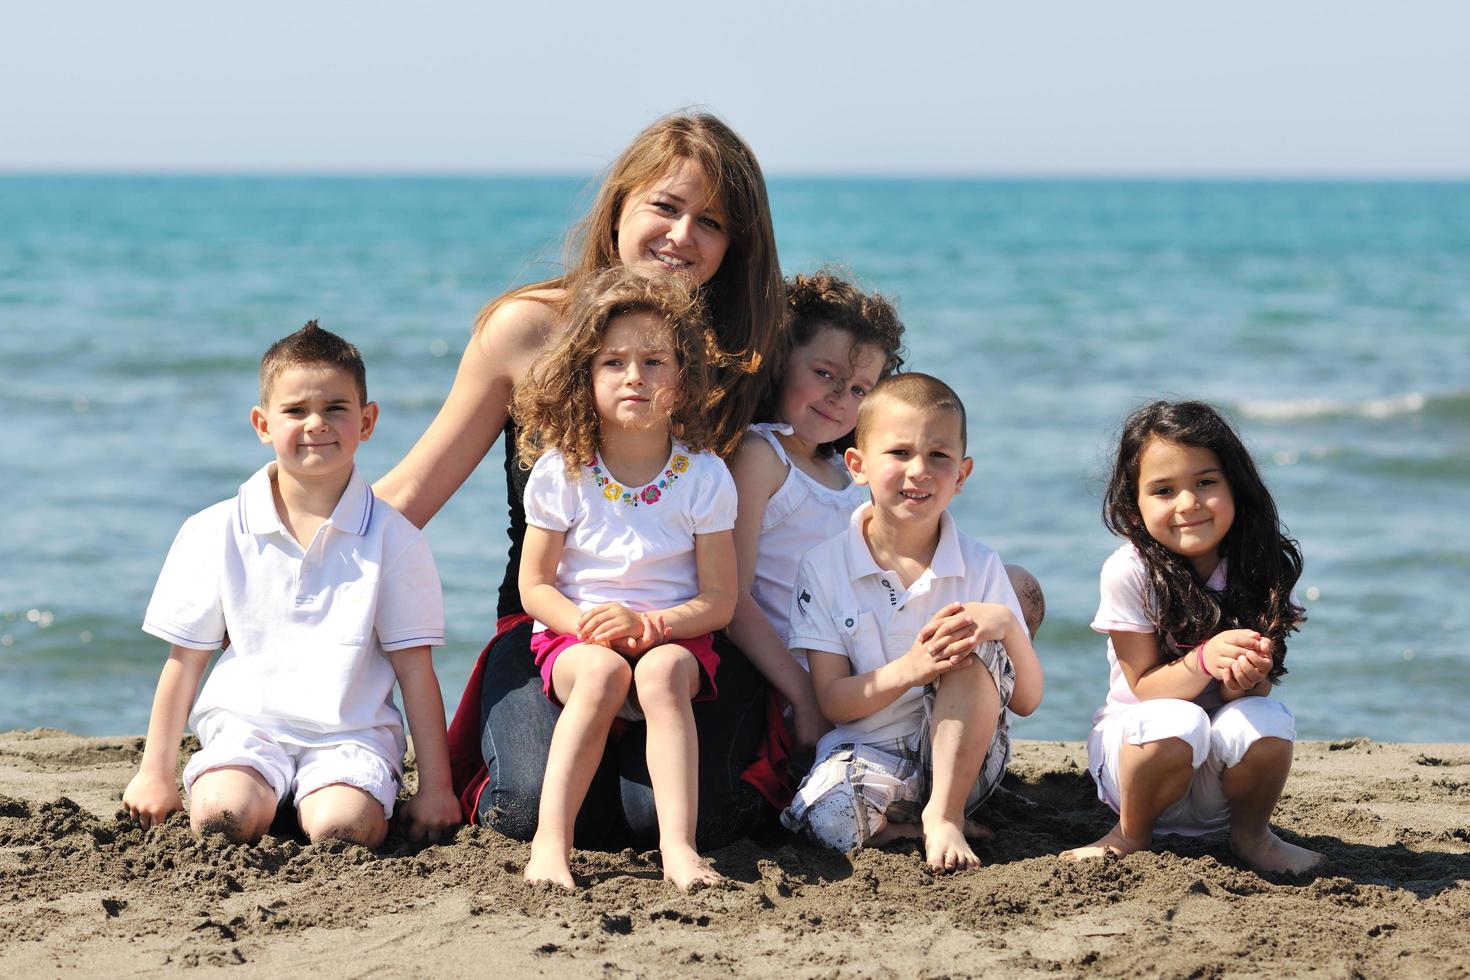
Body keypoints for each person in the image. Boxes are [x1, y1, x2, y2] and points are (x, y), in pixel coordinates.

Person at [373, 112, 785, 849]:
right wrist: (276, 544)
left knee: (687, 819)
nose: (682, 235)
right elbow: (408, 497)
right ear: (620, 204)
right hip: (552, 627)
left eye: (712, 222)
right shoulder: (527, 329)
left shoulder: (746, 354)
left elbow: (861, 458)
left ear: (736, 246)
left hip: (690, 640)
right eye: (665, 206)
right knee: (524, 810)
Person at [122, 322, 461, 847]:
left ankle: (313, 801)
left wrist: (437, 787)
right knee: (220, 816)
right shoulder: (214, 529)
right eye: (296, 410)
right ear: (262, 423)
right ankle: (262, 794)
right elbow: (184, 661)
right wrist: (154, 772)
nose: (317, 424)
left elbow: (416, 672)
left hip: (352, 736)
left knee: (342, 828)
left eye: (337, 408)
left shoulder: (396, 539)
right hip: (247, 729)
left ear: (367, 421)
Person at [514, 270, 735, 890]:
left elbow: (720, 600)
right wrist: (588, 628)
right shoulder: (564, 471)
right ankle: (550, 845)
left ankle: (679, 849)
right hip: (578, 637)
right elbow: (536, 587)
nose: (634, 376)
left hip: (674, 635)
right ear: (584, 377)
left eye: (654, 361)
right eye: (614, 362)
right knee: (604, 673)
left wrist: (654, 626)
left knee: (662, 673)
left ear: (683, 380)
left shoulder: (704, 476)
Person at [780, 373, 1043, 872]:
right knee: (822, 819)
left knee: (972, 640)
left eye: (939, 457)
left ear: (961, 475)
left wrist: (1006, 624)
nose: (919, 470)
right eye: (899, 453)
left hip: (968, 763)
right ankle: (908, 825)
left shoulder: (980, 563)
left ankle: (944, 814)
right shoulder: (824, 566)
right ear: (857, 465)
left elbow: (1028, 701)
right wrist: (913, 667)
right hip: (870, 753)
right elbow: (834, 700)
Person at [1062, 400, 1323, 874]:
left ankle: (1251, 836)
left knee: (1265, 716)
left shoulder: (1258, 564)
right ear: (1133, 507)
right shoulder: (1130, 570)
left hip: (1217, 787)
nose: (1189, 503)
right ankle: (1129, 835)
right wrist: (1204, 660)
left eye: (1206, 482)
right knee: (1175, 719)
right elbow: (1143, 686)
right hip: (1139, 764)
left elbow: (1249, 693)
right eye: (1163, 490)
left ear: (1236, 486)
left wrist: (1245, 677)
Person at [727, 272, 904, 761]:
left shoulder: (845, 472)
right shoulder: (761, 455)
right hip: (799, 678)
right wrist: (803, 693)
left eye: (860, 389)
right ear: (782, 360)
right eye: (825, 374)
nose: (839, 397)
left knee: (1011, 591)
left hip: (863, 671)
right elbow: (733, 599)